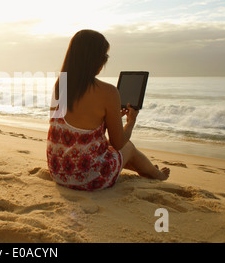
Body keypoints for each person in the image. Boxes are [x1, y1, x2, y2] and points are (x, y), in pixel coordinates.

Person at [47, 29, 170, 191]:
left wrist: (109, 119)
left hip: (58, 172)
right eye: (104, 56)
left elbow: (81, 129)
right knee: (129, 147)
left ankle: (147, 170)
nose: (104, 61)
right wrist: (131, 122)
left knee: (110, 149)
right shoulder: (108, 92)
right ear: (95, 59)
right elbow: (118, 143)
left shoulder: (60, 85)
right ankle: (158, 175)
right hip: (88, 180)